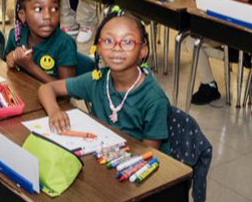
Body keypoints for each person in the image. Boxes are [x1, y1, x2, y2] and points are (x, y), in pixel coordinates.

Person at [38, 11, 169, 148]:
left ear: (143, 50)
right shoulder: (98, 79)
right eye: (108, 41)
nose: (117, 48)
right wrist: (54, 111)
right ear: (98, 48)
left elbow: (149, 154)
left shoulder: (154, 99)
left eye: (128, 42)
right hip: (100, 153)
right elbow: (46, 88)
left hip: (134, 163)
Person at [4, 0, 78, 84]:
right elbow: (6, 67)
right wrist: (11, 59)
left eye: (54, 9)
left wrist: (30, 66)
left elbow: (66, 92)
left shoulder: (65, 44)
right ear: (22, 15)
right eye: (39, 9)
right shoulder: (16, 35)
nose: (48, 16)